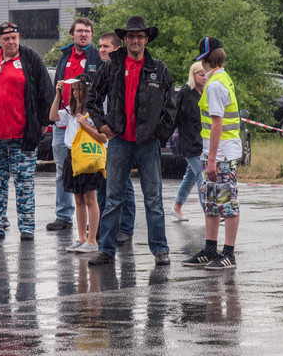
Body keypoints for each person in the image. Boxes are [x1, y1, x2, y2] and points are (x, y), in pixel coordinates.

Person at [87, 16, 176, 266]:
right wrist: (103, 125)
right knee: (113, 198)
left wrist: (159, 134)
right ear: (124, 40)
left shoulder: (159, 68)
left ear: (146, 39)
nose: (135, 40)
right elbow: (92, 98)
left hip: (147, 144)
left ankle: (160, 249)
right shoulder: (112, 66)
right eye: (131, 36)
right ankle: (106, 249)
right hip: (119, 142)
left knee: (153, 199)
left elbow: (171, 107)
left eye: (140, 36)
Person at [0, 22, 53, 240]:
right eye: (7, 39)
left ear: (19, 37)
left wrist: (43, 120)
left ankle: (26, 228)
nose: (12, 42)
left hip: (21, 135)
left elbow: (46, 90)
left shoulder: (29, 58)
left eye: (15, 37)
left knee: (24, 183)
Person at [182, 37, 241, 270]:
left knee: (227, 203)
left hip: (221, 154)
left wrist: (212, 160)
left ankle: (228, 254)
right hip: (214, 152)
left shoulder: (215, 84)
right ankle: (209, 249)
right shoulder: (221, 78)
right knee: (211, 202)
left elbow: (217, 124)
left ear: (204, 59)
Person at [47, 17, 103, 231]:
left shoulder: (96, 57)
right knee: (63, 170)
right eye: (80, 31)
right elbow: (57, 87)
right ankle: (63, 215)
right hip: (64, 122)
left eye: (87, 31)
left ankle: (93, 218)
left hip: (87, 123)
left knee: (90, 170)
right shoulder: (65, 56)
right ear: (72, 34)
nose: (84, 34)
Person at [50, 75, 106, 253]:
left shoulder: (93, 111)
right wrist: (58, 95)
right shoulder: (71, 110)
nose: (75, 93)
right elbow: (52, 117)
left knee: (90, 198)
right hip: (72, 156)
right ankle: (81, 237)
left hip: (88, 156)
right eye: (73, 89)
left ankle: (92, 239)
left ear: (87, 90)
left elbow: (103, 137)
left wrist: (85, 125)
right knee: (78, 199)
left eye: (79, 89)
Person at [96, 32, 136, 245]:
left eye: (107, 46)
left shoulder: (122, 70)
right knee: (102, 185)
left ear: (117, 49)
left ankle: (126, 228)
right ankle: (103, 226)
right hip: (99, 134)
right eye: (100, 46)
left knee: (123, 185)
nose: (102, 49)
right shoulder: (101, 69)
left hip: (117, 136)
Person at [171, 61, 207, 221]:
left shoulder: (205, 92)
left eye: (206, 74)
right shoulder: (185, 93)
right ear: (193, 75)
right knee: (201, 176)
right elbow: (175, 116)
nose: (205, 77)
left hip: (203, 140)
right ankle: (209, 212)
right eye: (201, 74)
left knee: (191, 176)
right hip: (190, 141)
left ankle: (177, 207)